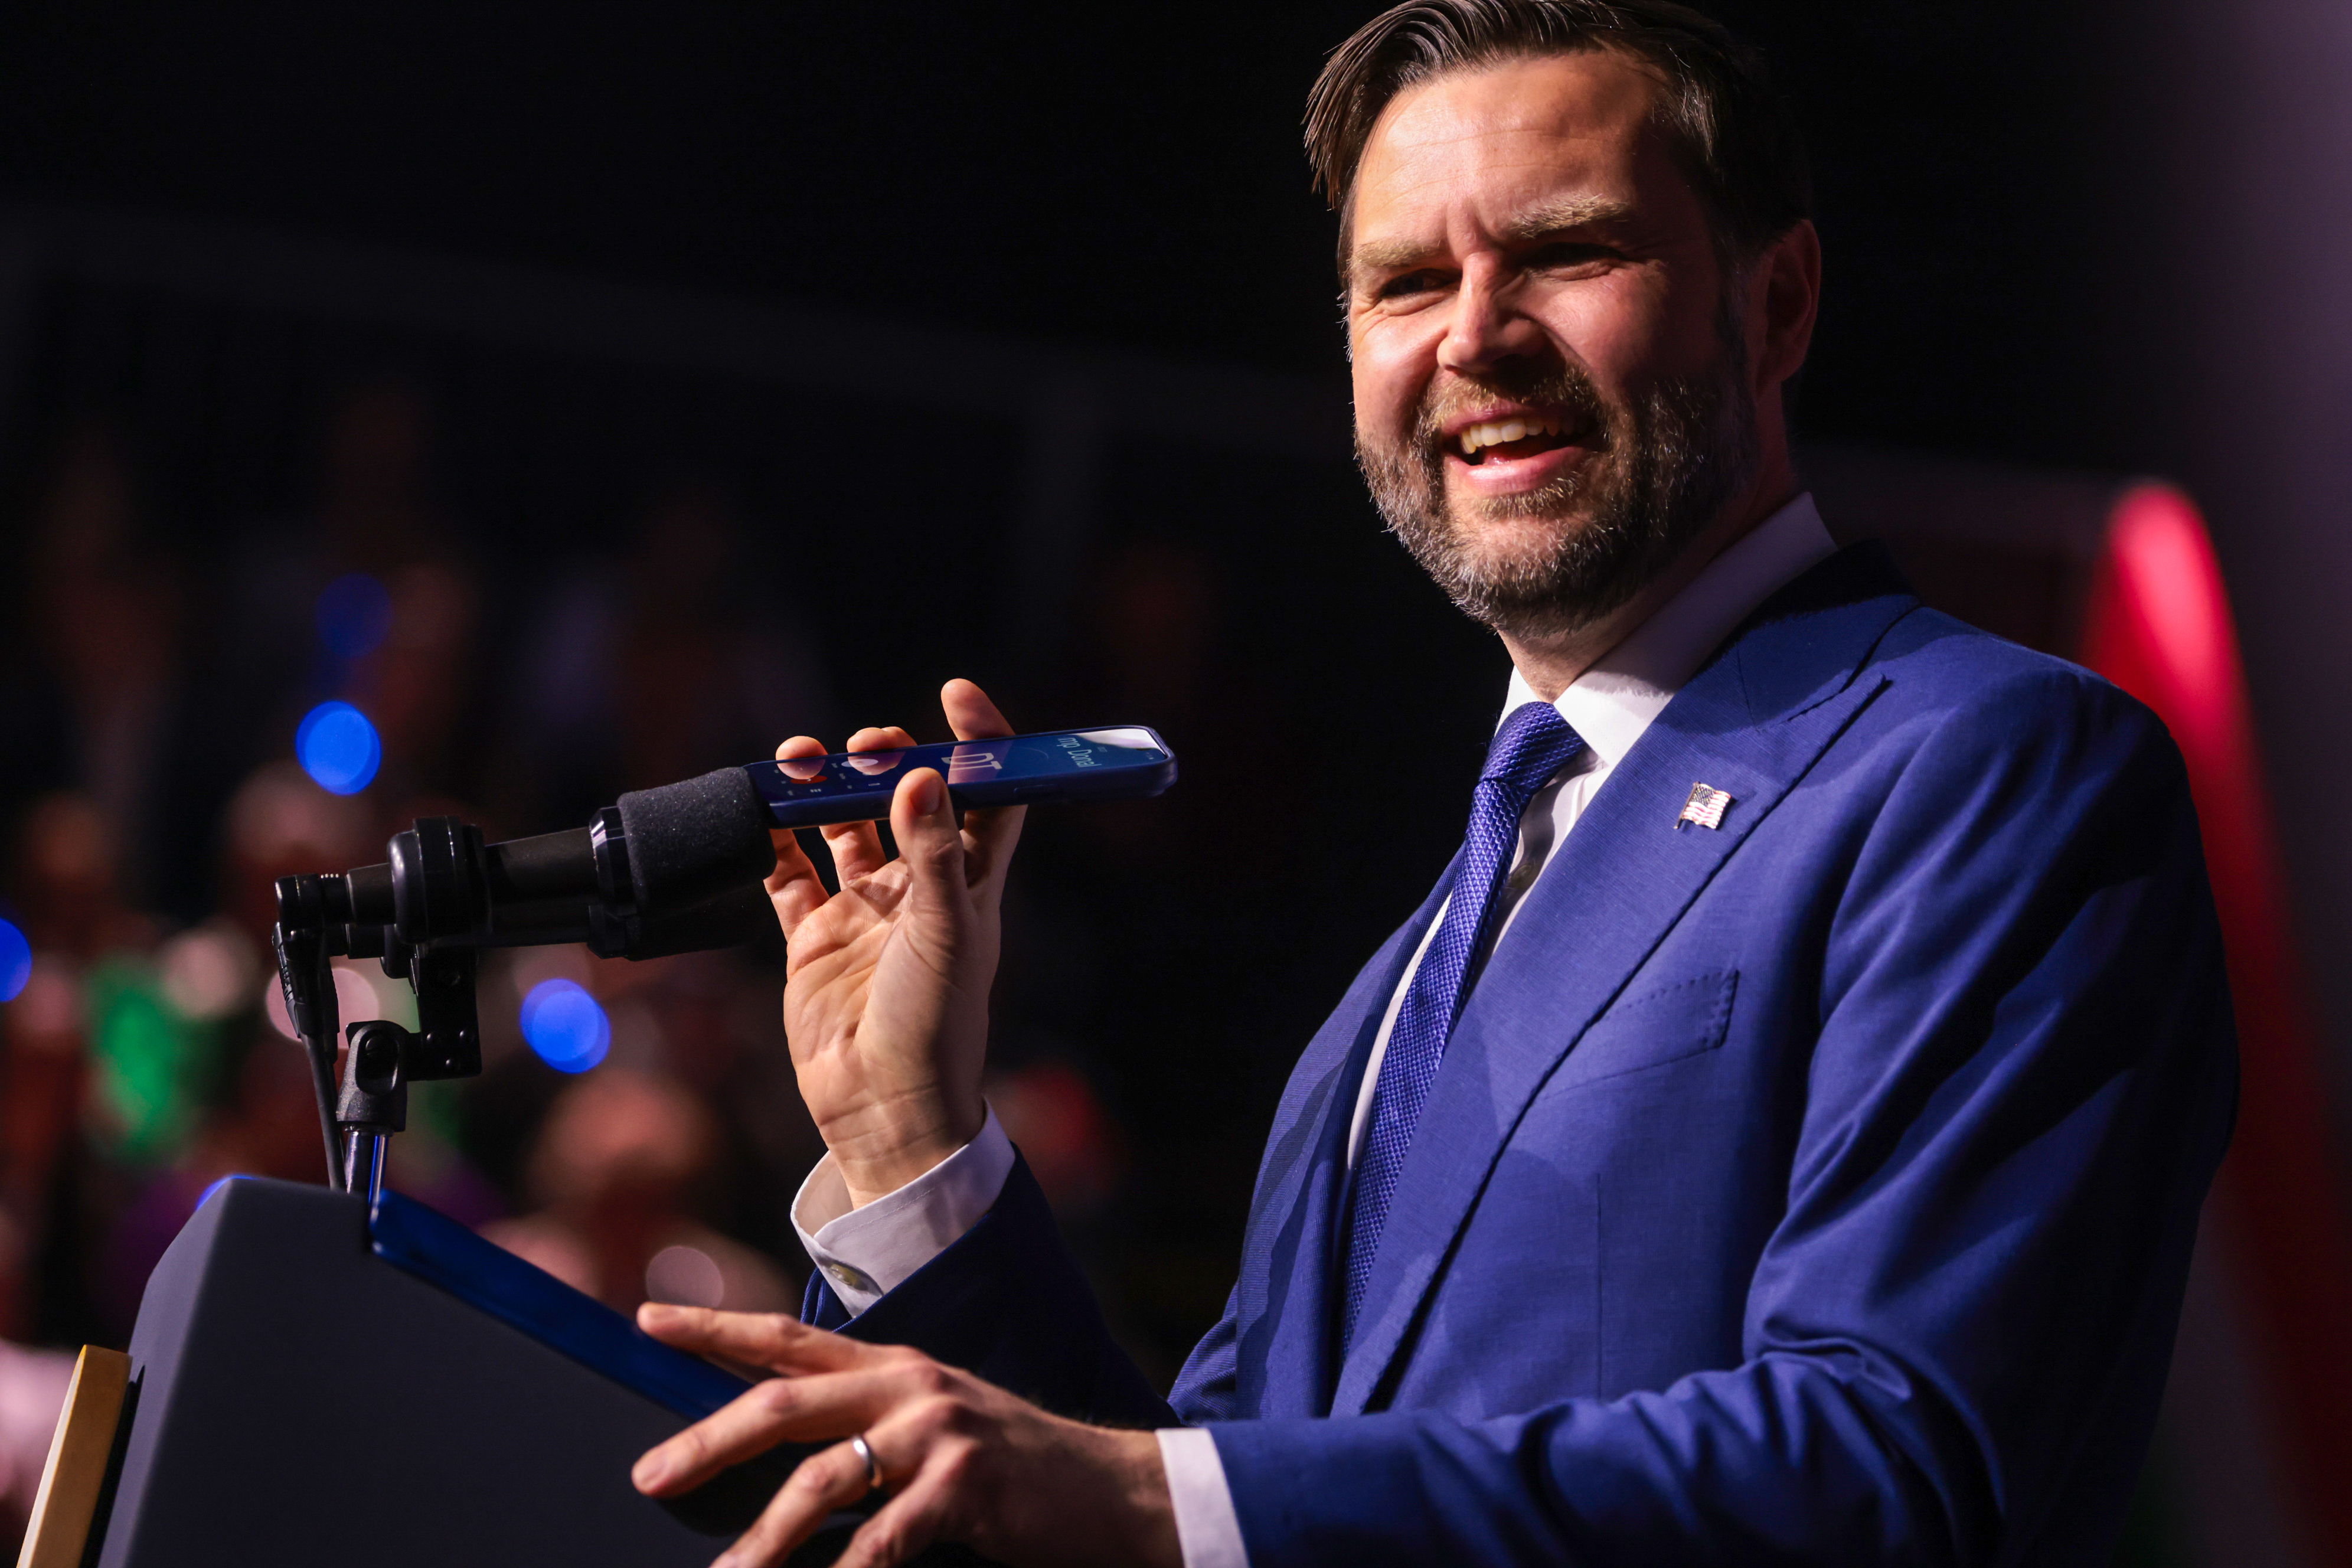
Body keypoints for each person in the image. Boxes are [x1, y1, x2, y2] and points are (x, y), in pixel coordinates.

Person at [628, 4, 2236, 1563]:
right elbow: (1196, 1509)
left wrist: (1151, 1505)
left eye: (1567, 253)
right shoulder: (1390, 1001)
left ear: (1780, 302)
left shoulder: (1989, 768)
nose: (1475, 335)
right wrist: (913, 1142)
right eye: (1406, 282)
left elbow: (1897, 1465)